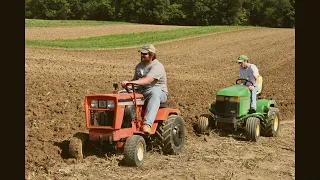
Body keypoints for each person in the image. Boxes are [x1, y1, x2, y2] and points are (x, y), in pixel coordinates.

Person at [121, 44, 168, 134]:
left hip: (158, 92)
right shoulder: (139, 65)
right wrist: (128, 84)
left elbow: (148, 80)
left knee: (154, 92)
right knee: (121, 94)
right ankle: (123, 122)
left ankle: (147, 124)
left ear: (151, 55)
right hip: (141, 91)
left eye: (145, 54)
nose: (142, 55)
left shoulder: (157, 66)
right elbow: (135, 80)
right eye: (142, 53)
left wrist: (132, 83)